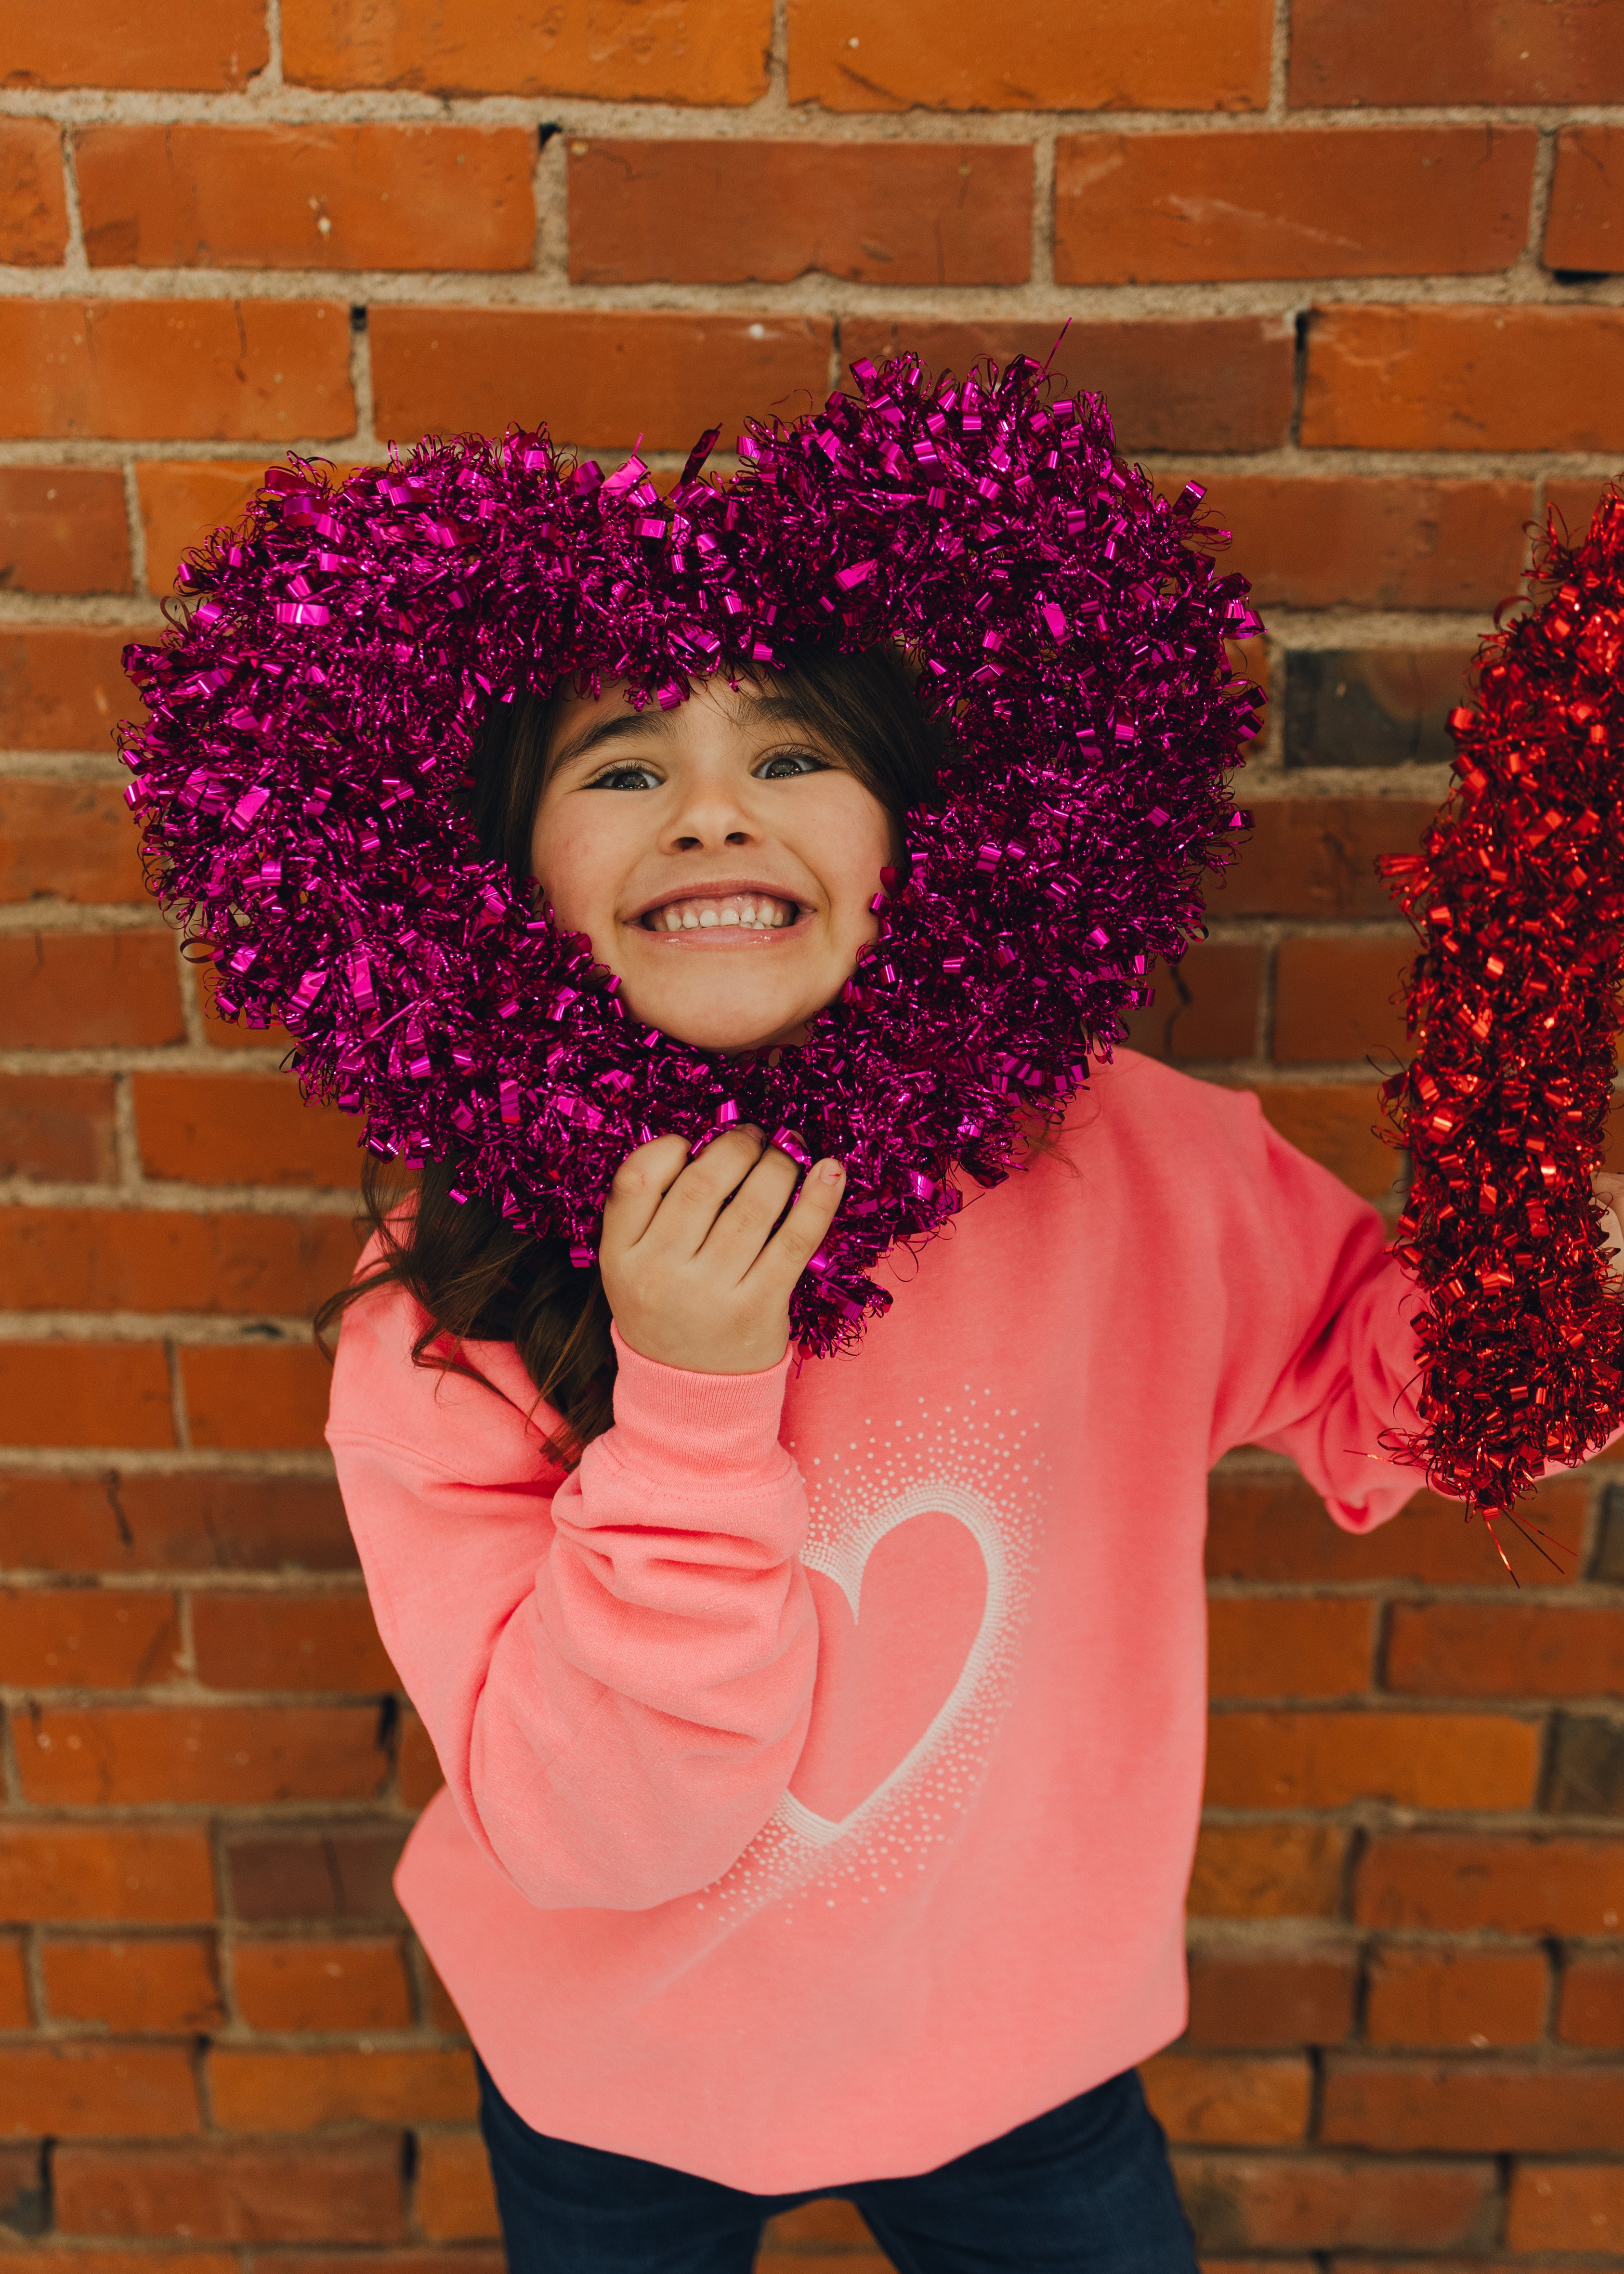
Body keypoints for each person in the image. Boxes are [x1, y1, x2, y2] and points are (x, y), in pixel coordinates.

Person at [309, 636, 1622, 2272]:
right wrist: (694, 1397)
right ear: (517, 881)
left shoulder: (1129, 1155)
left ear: (913, 842)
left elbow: (1382, 1401)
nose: (713, 814)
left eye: (790, 760)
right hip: (617, 2071)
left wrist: (1553, 1281)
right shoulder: (445, 1298)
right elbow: (605, 1832)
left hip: (1017, 2052)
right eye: (626, 769)